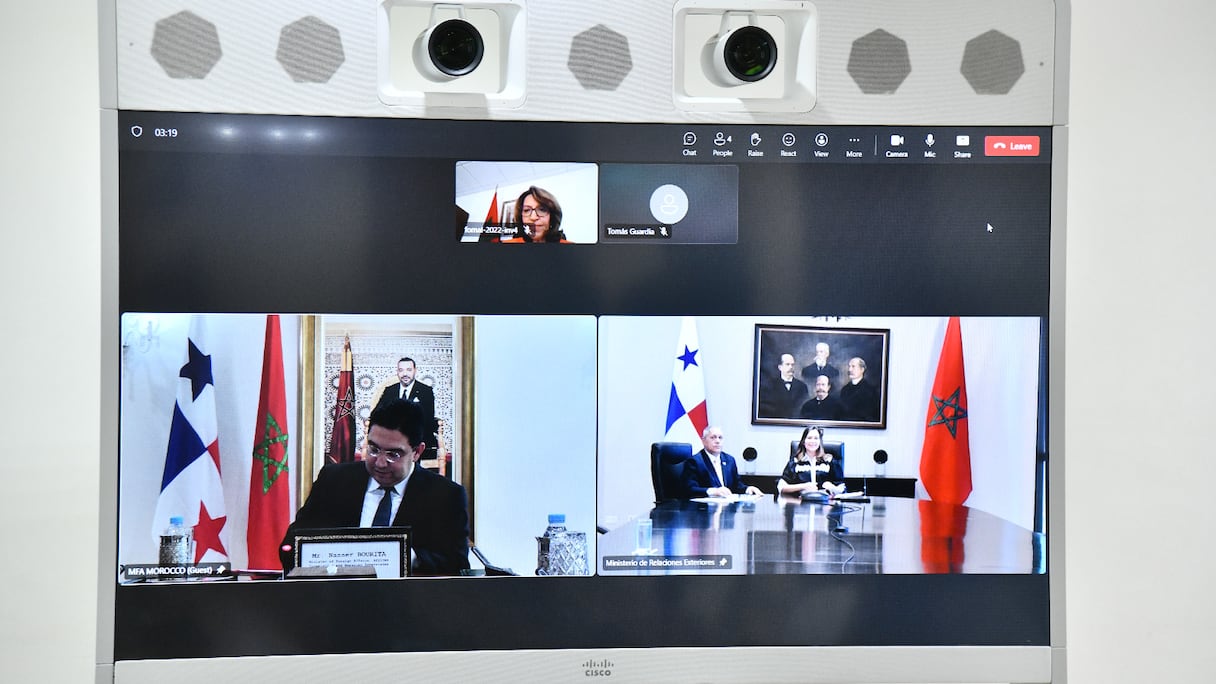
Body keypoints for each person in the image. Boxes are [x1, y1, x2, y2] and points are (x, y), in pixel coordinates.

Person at [280, 398, 470, 575]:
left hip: (410, 598)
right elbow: (291, 544)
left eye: (393, 454)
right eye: (374, 449)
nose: (380, 462)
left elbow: (457, 563)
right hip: (335, 596)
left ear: (417, 452)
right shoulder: (333, 481)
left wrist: (408, 557)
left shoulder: (445, 496)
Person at [375, 357, 439, 461]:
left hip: (416, 439)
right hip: (392, 439)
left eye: (409, 370)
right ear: (397, 372)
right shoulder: (389, 391)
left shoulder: (426, 391)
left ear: (415, 371)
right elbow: (377, 414)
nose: (405, 374)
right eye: (401, 370)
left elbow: (427, 420)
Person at [683, 426, 763, 498]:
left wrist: (748, 489)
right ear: (703, 441)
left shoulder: (729, 460)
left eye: (720, 438)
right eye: (713, 437)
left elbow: (737, 485)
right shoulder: (695, 461)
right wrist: (714, 491)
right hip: (704, 507)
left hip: (728, 506)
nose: (717, 441)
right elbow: (690, 489)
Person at [777, 426, 845, 496]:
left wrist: (832, 487)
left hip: (824, 501)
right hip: (800, 501)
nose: (812, 441)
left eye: (816, 438)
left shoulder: (830, 462)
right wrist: (803, 486)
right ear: (803, 441)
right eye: (809, 438)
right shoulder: (795, 462)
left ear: (820, 442)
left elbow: (842, 489)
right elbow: (781, 487)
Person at [757, 353, 809, 418]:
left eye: (792, 365)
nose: (791, 367)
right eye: (787, 364)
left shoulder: (802, 386)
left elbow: (804, 408)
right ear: (780, 367)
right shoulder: (770, 385)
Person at [838, 356, 880, 422]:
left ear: (862, 369)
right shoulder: (844, 390)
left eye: (853, 366)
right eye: (849, 366)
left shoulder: (870, 391)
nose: (850, 369)